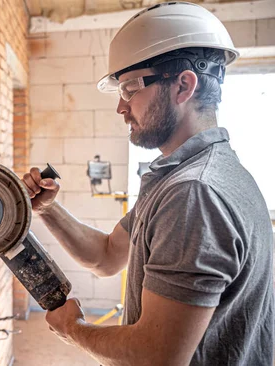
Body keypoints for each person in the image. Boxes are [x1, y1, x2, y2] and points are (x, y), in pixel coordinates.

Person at [21, 2, 274, 365]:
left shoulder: (194, 194)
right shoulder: (183, 176)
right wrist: (48, 210)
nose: (121, 108)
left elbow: (155, 357)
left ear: (184, 86)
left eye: (130, 89)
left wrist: (73, 330)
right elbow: (107, 256)